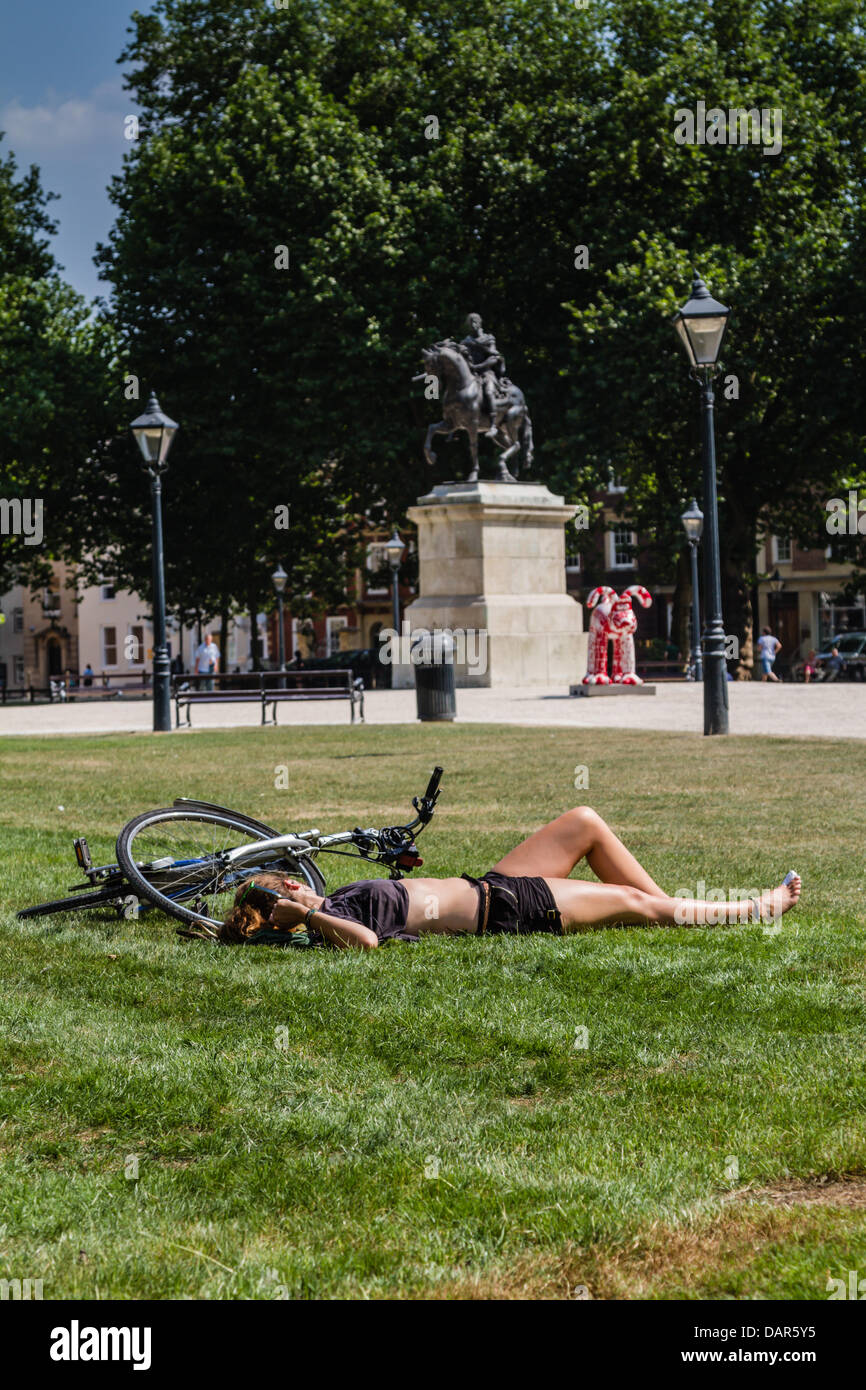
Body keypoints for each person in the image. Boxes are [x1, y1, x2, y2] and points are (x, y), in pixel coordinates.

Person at [218, 806, 801, 949]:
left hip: (494, 882)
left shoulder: (340, 901)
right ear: (289, 893)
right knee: (630, 902)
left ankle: (671, 907)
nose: (298, 881)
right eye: (288, 882)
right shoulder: (331, 921)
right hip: (509, 910)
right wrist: (307, 918)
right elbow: (369, 943)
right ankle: (755, 909)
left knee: (583, 823)